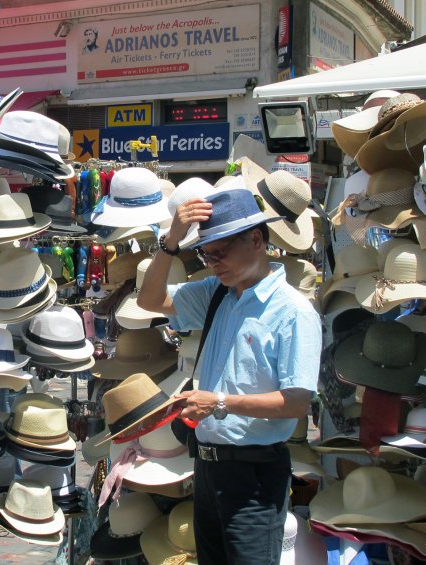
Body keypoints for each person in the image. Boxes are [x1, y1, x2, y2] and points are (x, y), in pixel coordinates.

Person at [137, 187, 321, 565]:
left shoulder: (293, 311)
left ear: (256, 240)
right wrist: (170, 242)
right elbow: (149, 300)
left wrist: (219, 402)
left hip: (254, 475)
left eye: (220, 252)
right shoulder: (216, 293)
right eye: (206, 253)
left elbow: (297, 403)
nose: (213, 261)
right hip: (209, 468)